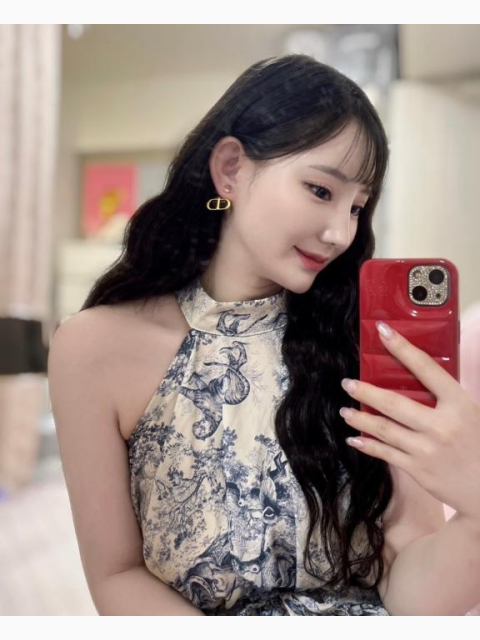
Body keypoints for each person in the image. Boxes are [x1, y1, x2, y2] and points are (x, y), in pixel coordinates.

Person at [48, 54, 479, 616]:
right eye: (321, 191)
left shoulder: (364, 349)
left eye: (358, 207)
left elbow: (411, 599)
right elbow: (115, 574)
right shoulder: (92, 348)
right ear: (230, 169)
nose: (341, 232)